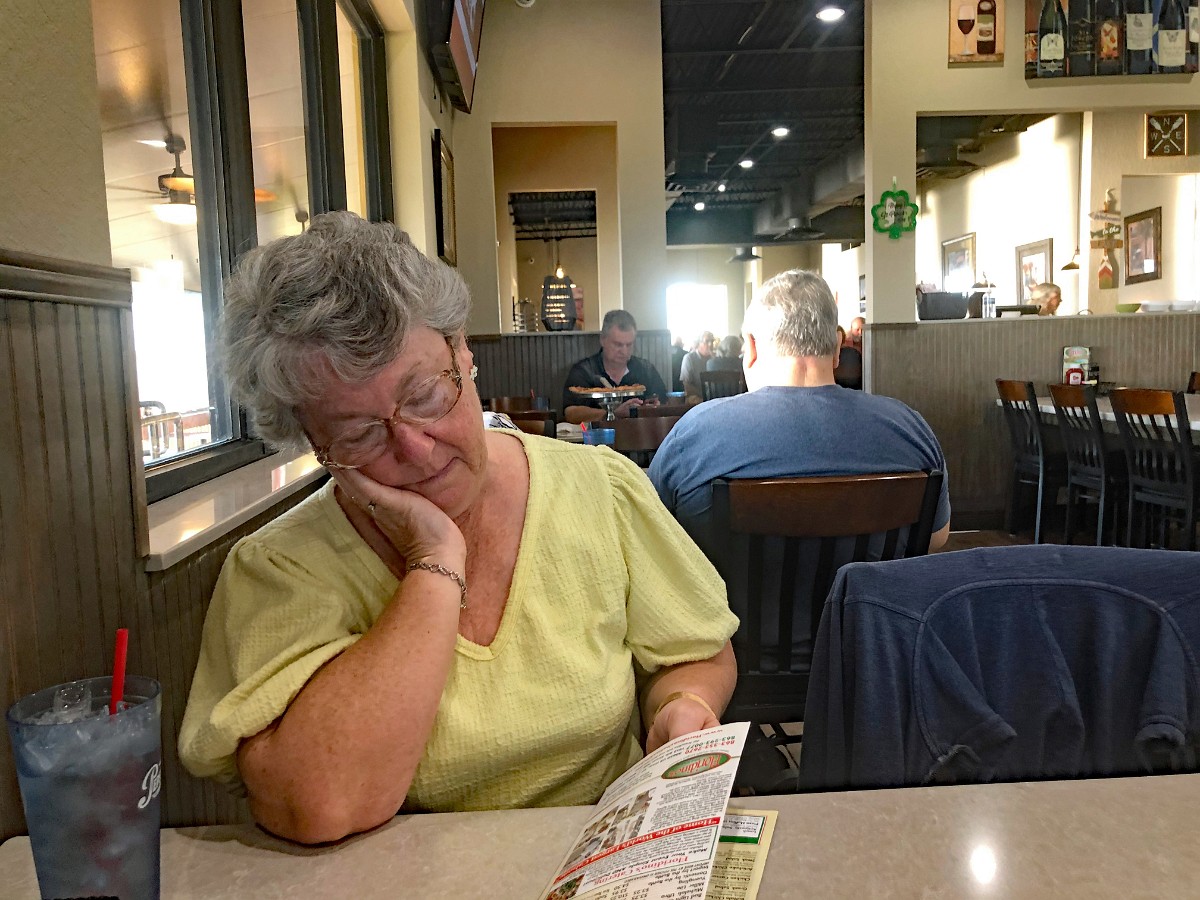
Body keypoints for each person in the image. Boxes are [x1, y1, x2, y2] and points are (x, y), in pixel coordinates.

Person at [178, 213, 737, 845]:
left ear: (462, 353)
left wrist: (682, 704)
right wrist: (435, 560)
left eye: (424, 396)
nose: (416, 450)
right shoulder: (281, 567)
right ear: (313, 442)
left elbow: (695, 649)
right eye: (359, 434)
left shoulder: (599, 488)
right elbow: (319, 803)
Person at [648, 269, 951, 549]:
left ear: (751, 348)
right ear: (837, 348)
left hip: (734, 595)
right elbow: (936, 536)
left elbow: (650, 536)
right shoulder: (911, 431)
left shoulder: (693, 435)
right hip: (871, 594)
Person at [561, 310, 669, 423]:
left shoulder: (646, 370)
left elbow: (664, 403)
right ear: (603, 340)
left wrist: (652, 407)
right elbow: (570, 413)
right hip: (596, 433)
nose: (624, 351)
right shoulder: (584, 371)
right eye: (618, 345)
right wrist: (613, 413)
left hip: (639, 431)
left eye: (629, 345)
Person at [679, 331, 716, 403]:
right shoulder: (689, 358)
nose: (710, 344)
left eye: (712, 341)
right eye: (707, 341)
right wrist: (703, 395)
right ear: (699, 343)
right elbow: (686, 384)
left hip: (713, 397)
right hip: (697, 396)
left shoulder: (715, 359)